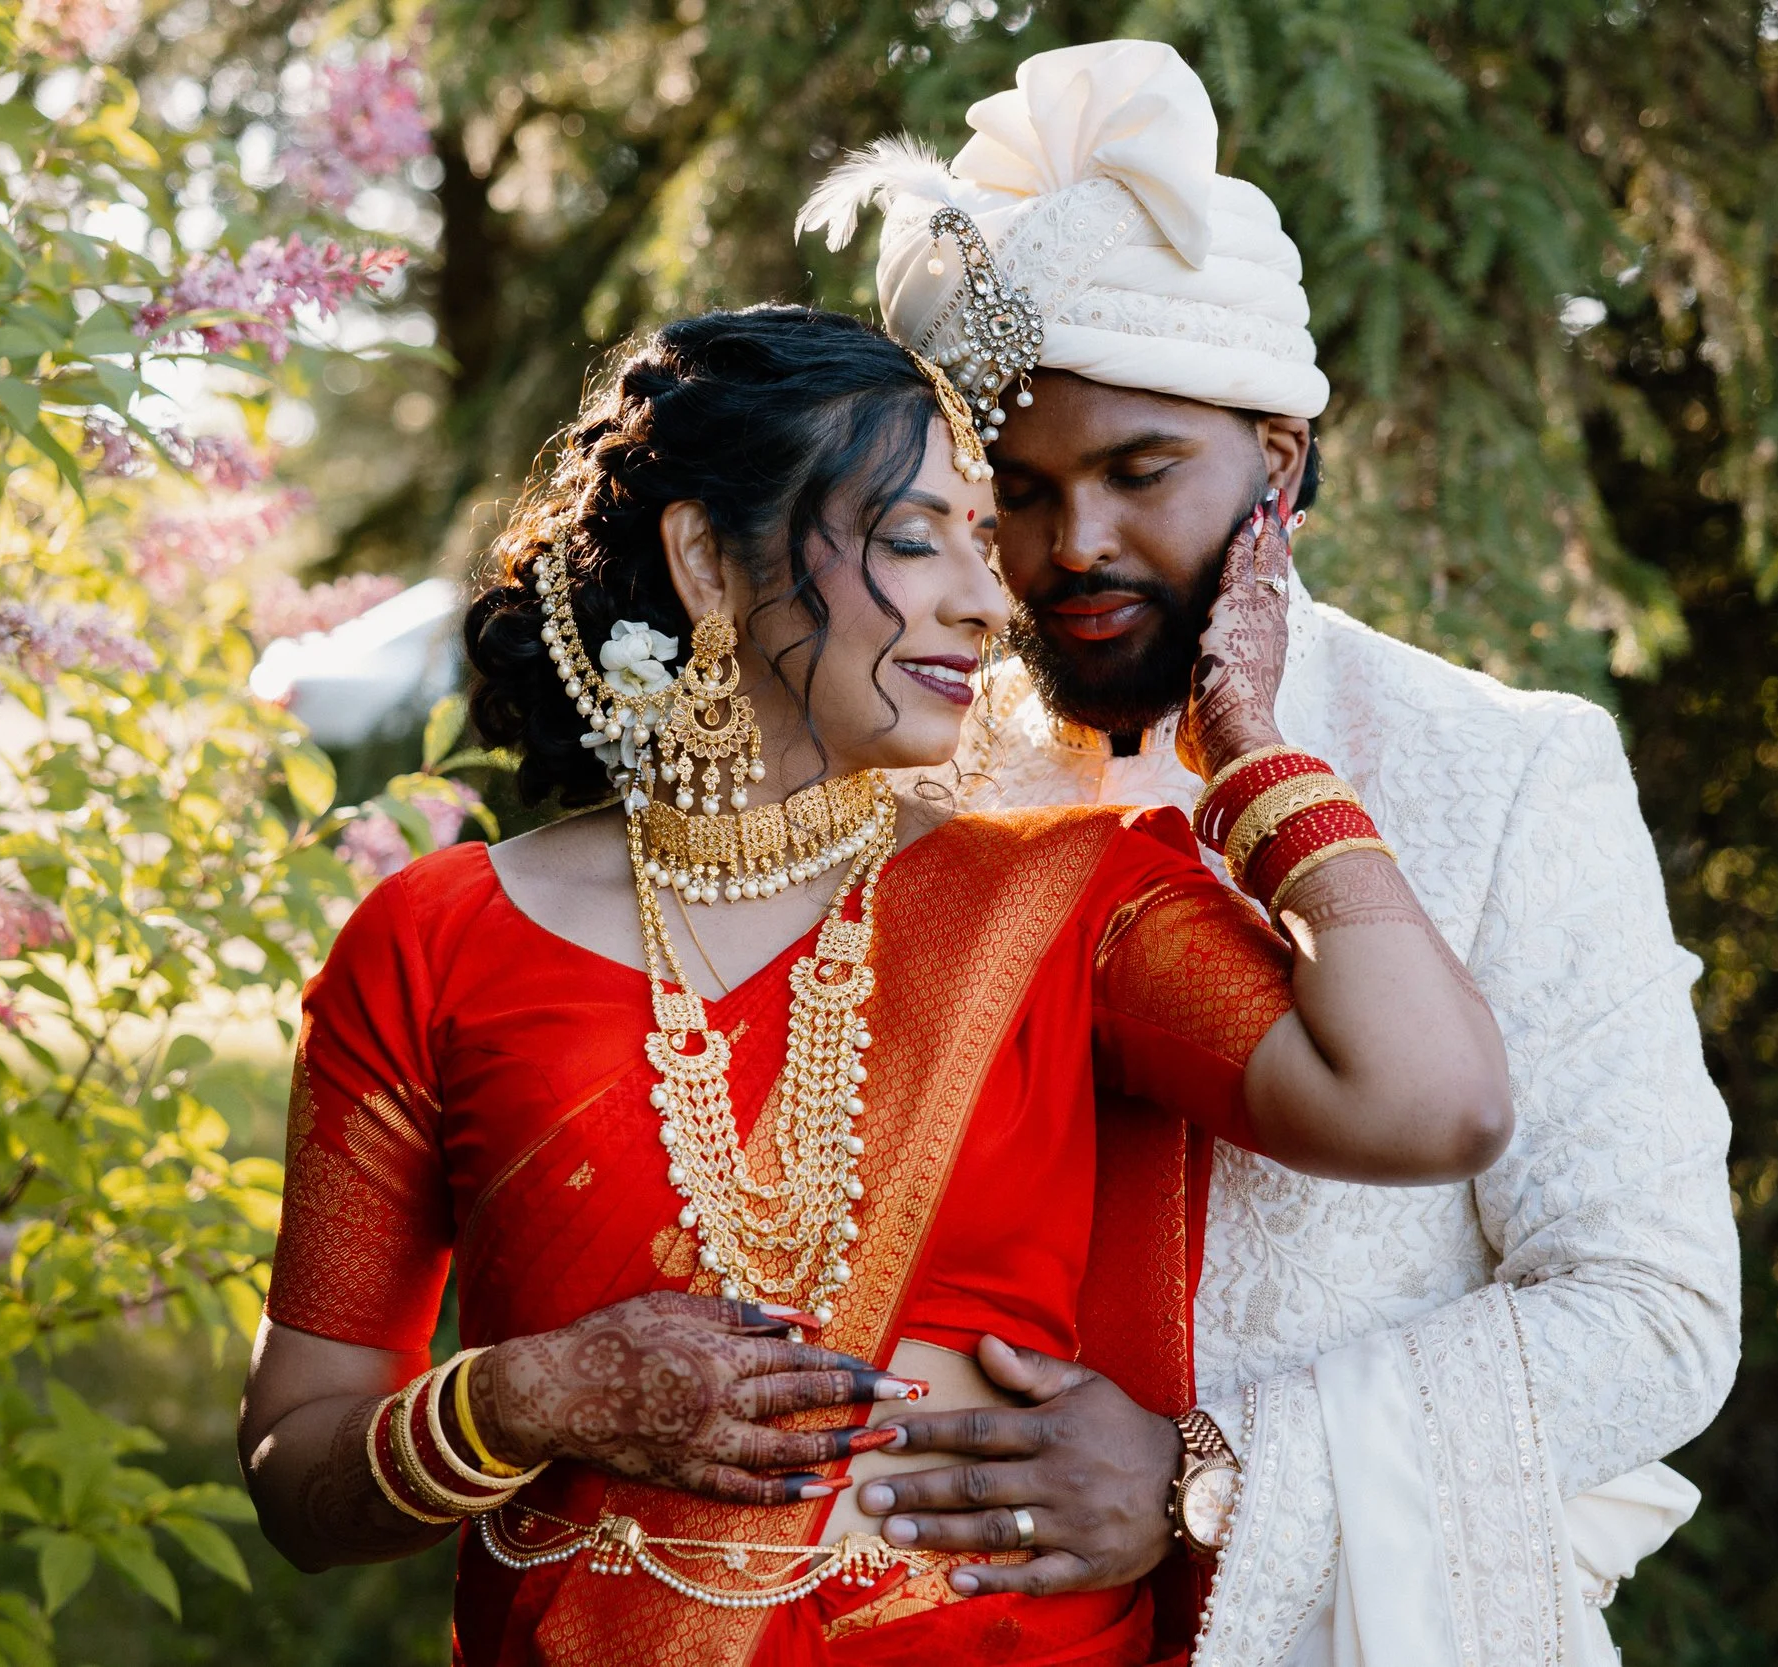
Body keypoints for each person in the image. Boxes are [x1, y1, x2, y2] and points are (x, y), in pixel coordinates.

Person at [236, 304, 1512, 1666]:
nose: (986, 596)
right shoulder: (433, 941)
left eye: (981, 536)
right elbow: (297, 1469)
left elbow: (1434, 1100)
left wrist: (1248, 747)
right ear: (706, 564)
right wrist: (526, 1396)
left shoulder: (1068, 900)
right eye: (915, 537)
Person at [798, 39, 1740, 1666]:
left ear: (1277, 466)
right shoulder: (909, 785)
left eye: (1140, 471)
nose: (1072, 542)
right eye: (1014, 492)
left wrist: (1202, 1475)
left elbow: (1652, 1317)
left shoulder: (1503, 771)